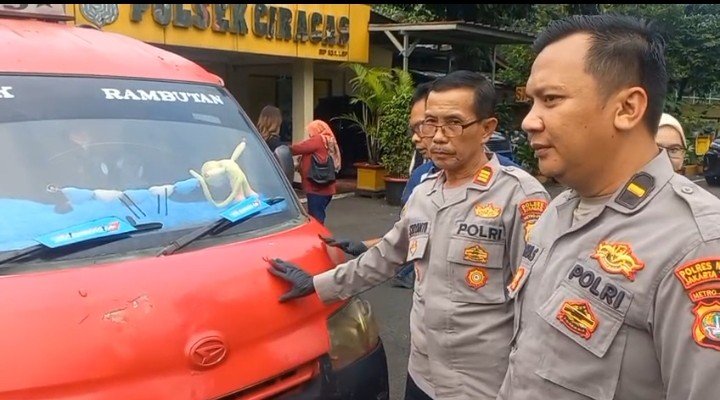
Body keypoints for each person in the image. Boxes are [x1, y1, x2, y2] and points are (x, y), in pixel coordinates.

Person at [268, 70, 550, 400]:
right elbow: (385, 256)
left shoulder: (519, 197)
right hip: (422, 374)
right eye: (430, 124)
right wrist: (317, 285)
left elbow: (538, 305)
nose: (438, 137)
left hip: (482, 386)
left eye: (454, 124)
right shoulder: (424, 193)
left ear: (487, 128)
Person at [497, 14, 720, 400]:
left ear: (628, 108)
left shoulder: (696, 245)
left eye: (551, 99)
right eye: (532, 101)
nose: (529, 121)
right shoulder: (559, 209)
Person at [290, 119, 341, 225]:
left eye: (311, 131)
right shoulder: (329, 140)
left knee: (316, 219)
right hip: (326, 188)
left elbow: (297, 148)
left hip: (317, 189)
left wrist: (281, 149)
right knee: (318, 215)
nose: (310, 134)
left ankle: (318, 235)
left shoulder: (319, 139)